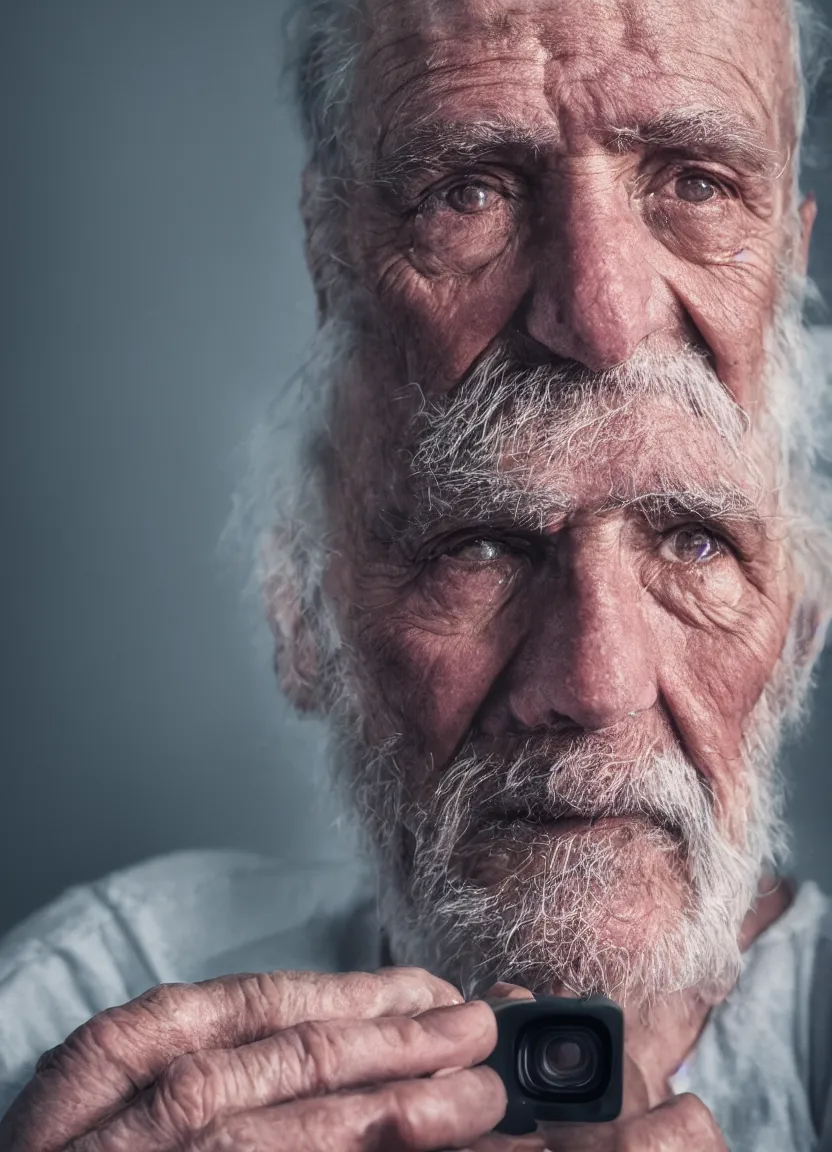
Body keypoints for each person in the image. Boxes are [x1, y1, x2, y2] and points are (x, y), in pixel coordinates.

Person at [2, 0, 832, 1147]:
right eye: (480, 551)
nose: (601, 313)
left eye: (692, 544)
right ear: (304, 617)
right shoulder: (93, 1019)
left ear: (803, 617)